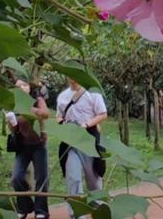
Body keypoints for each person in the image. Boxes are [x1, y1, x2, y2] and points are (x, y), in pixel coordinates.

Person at [56, 77, 108, 219]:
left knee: (94, 180)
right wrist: (63, 124)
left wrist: (86, 124)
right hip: (71, 142)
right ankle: (76, 215)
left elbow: (102, 114)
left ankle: (97, 209)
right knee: (73, 178)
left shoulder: (93, 93)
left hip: (89, 140)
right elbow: (58, 117)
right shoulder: (62, 96)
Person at [7, 79, 50, 219]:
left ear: (29, 87)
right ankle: (25, 206)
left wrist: (27, 109)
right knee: (17, 177)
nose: (21, 88)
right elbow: (14, 130)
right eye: (18, 86)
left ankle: (41, 211)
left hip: (39, 144)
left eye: (24, 85)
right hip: (22, 146)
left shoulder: (37, 100)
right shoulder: (14, 104)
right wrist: (11, 122)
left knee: (41, 178)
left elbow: (45, 114)